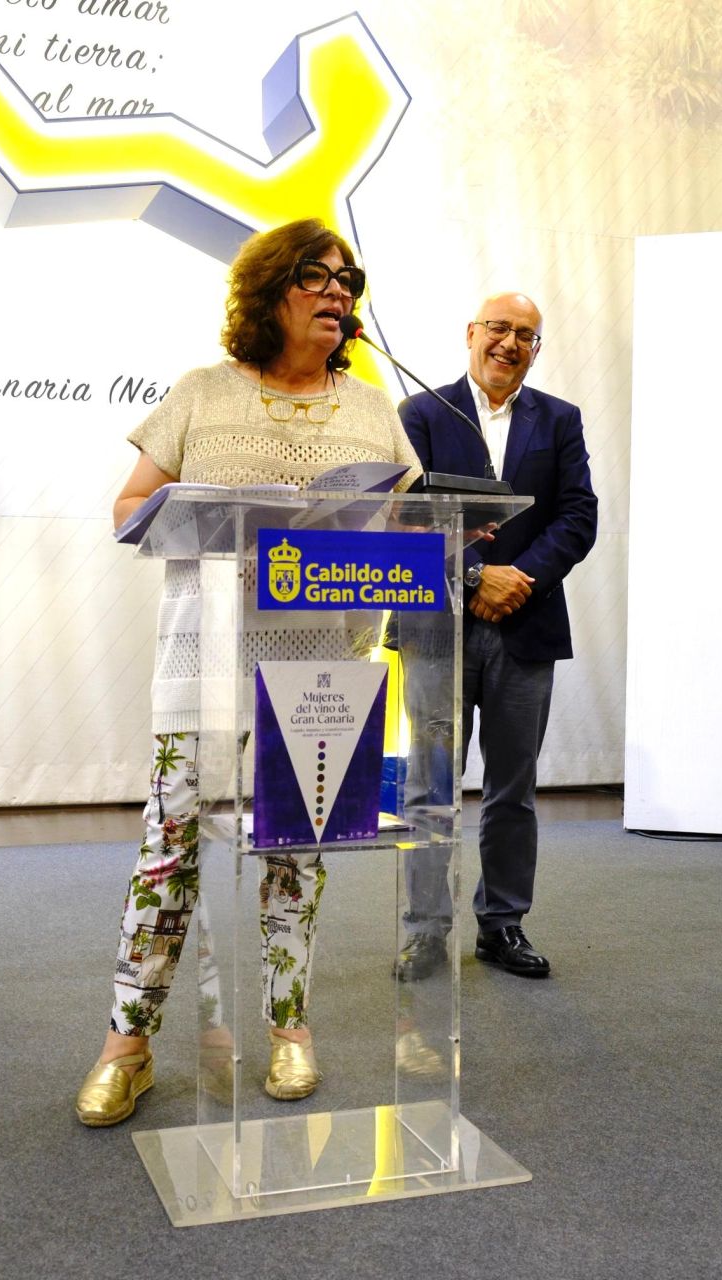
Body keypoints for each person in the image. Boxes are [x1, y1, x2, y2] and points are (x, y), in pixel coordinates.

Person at [74, 218, 421, 1126]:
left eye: (350, 280)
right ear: (271, 288)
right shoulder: (199, 394)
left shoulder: (374, 409)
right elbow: (126, 509)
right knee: (170, 854)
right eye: (320, 276)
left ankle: (291, 1029)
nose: (340, 294)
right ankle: (128, 1042)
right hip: (206, 667)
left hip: (326, 668)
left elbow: (410, 529)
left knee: (297, 857)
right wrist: (204, 511)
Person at [394, 292, 597, 981]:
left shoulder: (559, 420)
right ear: (471, 334)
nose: (511, 343)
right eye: (500, 329)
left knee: (514, 787)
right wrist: (478, 574)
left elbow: (577, 516)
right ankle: (424, 933)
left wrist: (521, 580)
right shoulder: (421, 413)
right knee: (430, 785)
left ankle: (502, 925)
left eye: (527, 336)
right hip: (435, 625)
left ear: (535, 350)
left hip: (527, 626)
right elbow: (405, 516)